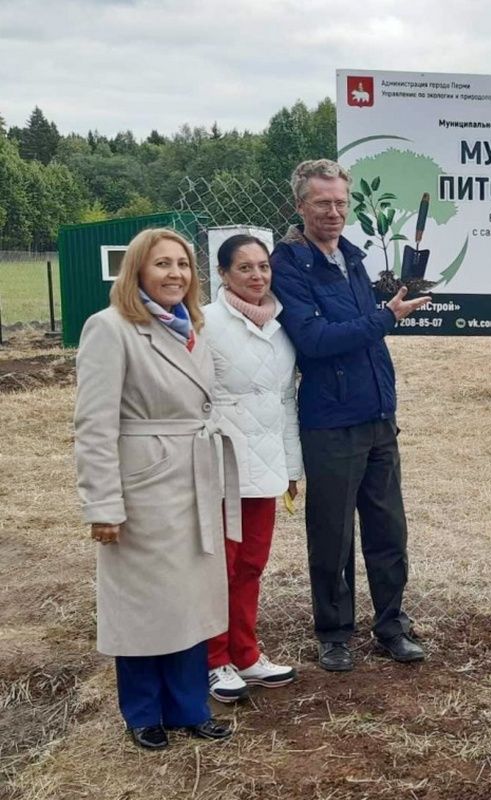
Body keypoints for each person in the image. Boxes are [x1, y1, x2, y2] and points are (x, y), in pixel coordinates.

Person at [74, 227, 239, 749]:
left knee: (189, 598)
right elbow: (94, 425)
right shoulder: (111, 328)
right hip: (142, 483)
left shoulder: (194, 326)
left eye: (183, 264)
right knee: (144, 601)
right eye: (162, 264)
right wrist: (103, 504)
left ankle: (189, 707)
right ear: (137, 271)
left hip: (194, 475)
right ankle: (143, 713)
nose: (175, 274)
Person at [270, 159, 431, 672]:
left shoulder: (353, 258)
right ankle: (334, 632)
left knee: (388, 529)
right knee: (332, 534)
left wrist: (382, 315)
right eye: (322, 203)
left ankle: (390, 624)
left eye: (341, 202)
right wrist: (384, 318)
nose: (334, 212)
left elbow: (358, 329)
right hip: (330, 421)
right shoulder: (290, 264)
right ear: (300, 206)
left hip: (378, 414)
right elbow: (314, 341)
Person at [203, 234, 303, 702]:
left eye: (263, 266)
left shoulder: (281, 326)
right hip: (221, 464)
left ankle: (246, 653)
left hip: (265, 465)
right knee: (218, 567)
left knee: (251, 564)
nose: (257, 276)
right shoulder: (205, 323)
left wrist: (290, 467)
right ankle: (212, 659)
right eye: (245, 268)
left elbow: (284, 400)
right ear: (224, 274)